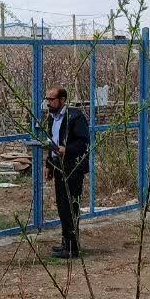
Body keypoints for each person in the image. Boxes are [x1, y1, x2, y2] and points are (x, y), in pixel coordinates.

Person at [43, 87, 89, 258]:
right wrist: (49, 164)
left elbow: (83, 143)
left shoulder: (74, 117)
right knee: (62, 206)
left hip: (73, 167)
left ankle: (72, 247)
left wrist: (66, 150)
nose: (49, 103)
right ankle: (66, 243)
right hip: (59, 166)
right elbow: (51, 142)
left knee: (71, 206)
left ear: (62, 99)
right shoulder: (52, 118)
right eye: (47, 99)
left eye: (52, 99)